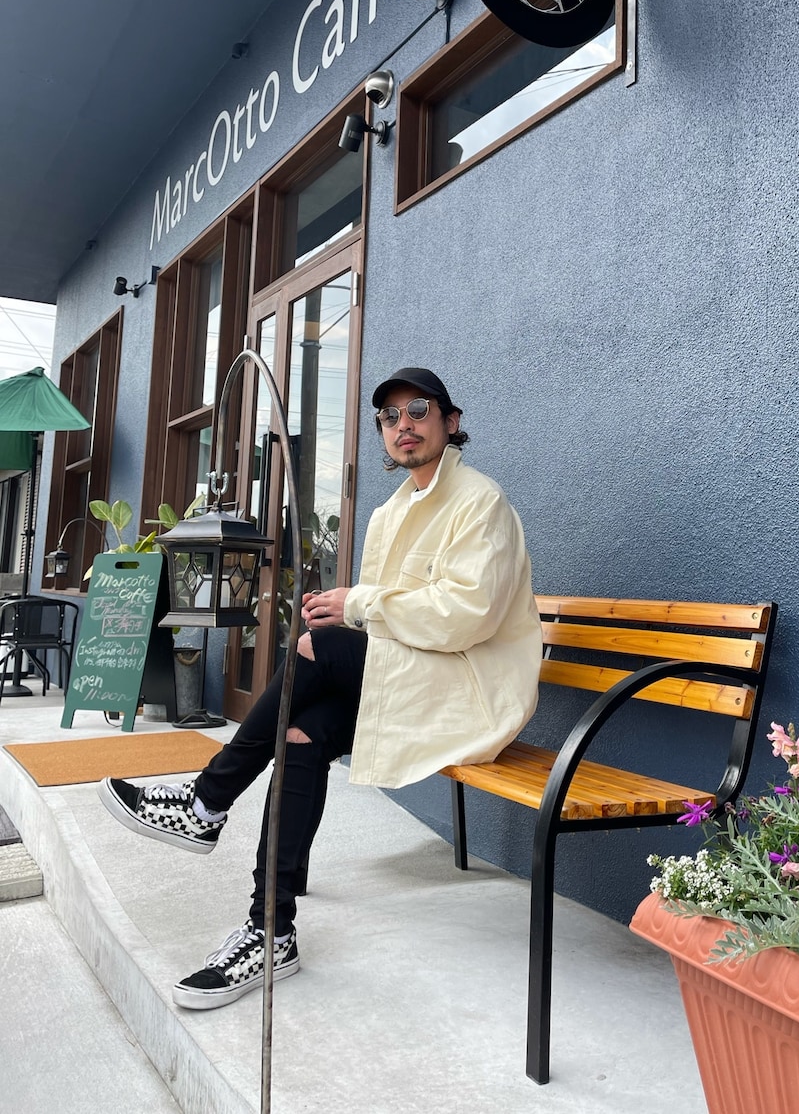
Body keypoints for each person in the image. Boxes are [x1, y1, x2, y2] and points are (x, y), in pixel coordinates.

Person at [98, 368, 542, 1009]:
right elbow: (385, 625)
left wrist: (353, 608)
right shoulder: (390, 514)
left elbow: (466, 615)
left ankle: (207, 801)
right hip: (415, 680)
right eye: (389, 417)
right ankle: (270, 930)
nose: (404, 425)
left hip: (471, 690)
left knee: (320, 647)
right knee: (300, 732)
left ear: (451, 422)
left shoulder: (480, 502)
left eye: (419, 410)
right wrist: (348, 615)